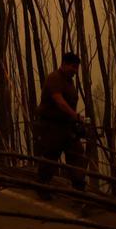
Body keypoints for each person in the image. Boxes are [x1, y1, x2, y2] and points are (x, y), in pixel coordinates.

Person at [33, 52, 87, 196]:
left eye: (77, 68)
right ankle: (42, 187)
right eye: (73, 67)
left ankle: (79, 190)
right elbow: (59, 101)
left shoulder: (69, 81)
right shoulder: (54, 78)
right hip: (51, 126)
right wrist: (75, 116)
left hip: (67, 127)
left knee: (76, 155)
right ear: (64, 64)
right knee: (50, 156)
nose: (75, 71)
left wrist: (75, 121)